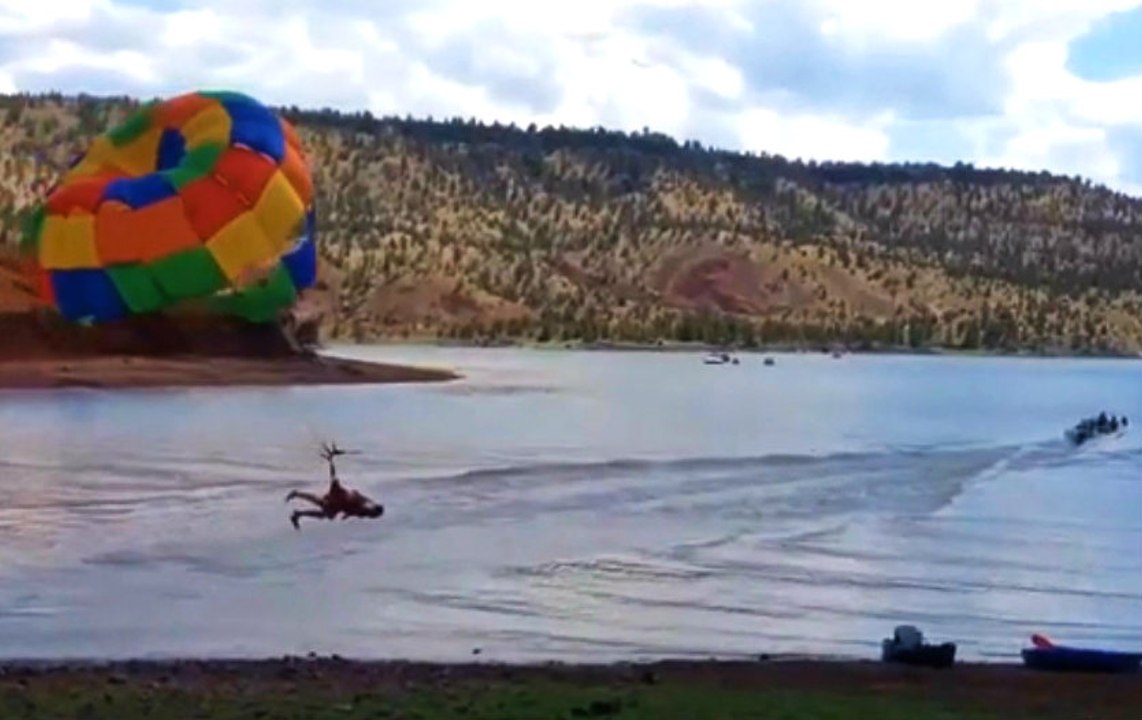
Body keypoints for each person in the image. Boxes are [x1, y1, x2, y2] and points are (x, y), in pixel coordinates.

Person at [285, 442, 384, 529]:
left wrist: (347, 515)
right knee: (327, 499)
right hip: (342, 497)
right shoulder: (367, 505)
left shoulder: (365, 512)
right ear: (373, 509)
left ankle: (298, 508)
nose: (371, 513)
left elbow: (355, 511)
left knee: (326, 510)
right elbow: (357, 497)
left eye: (372, 514)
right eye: (373, 512)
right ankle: (297, 502)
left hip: (341, 503)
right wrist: (349, 507)